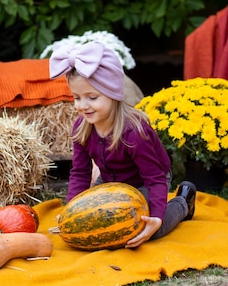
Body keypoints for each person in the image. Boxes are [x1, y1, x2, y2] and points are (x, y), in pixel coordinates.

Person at [49, 41, 197, 248]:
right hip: (112, 181)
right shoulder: (82, 128)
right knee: (95, 220)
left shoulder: (134, 132)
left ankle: (183, 202)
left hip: (148, 180)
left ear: (113, 94)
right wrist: (71, 209)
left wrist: (156, 217)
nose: (82, 106)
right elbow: (80, 173)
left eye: (92, 97)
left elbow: (154, 178)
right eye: (76, 98)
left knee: (144, 229)